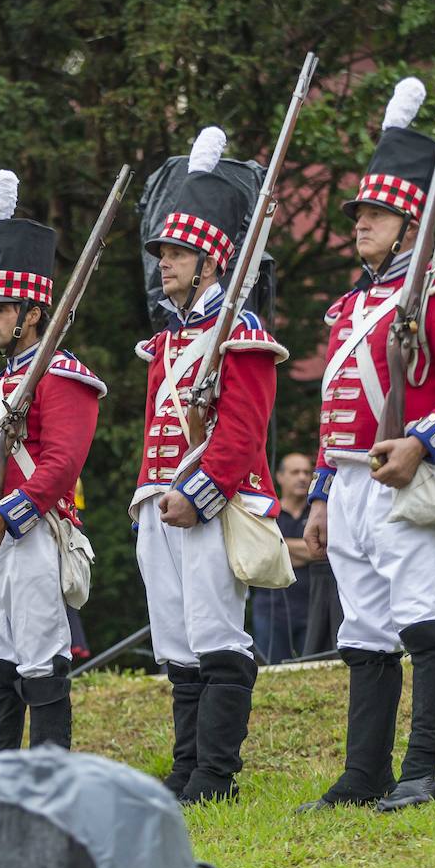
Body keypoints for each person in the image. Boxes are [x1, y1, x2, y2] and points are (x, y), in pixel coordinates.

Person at [300, 78, 435, 813]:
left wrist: (420, 441)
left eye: (377, 213)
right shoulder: (350, 306)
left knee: (426, 619)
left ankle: (425, 772)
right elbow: (335, 411)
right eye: (359, 213)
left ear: (411, 223)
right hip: (350, 484)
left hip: (407, 477)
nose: (361, 225)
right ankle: (363, 775)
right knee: (366, 633)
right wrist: (321, 496)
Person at [131, 127, 287, 803]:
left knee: (217, 637)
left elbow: (245, 431)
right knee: (176, 642)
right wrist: (153, 496)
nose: (164, 263)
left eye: (176, 253)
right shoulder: (168, 340)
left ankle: (216, 775)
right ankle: (186, 766)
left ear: (210, 263)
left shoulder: (242, 332)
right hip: (161, 503)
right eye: (162, 251)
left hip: (214, 503)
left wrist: (197, 492)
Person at [0, 169, 105, 754]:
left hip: (30, 532)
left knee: (40, 660)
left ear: (33, 313)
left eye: (1, 308)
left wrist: (6, 518)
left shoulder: (63, 375)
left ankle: (50, 770)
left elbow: (61, 463)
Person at [252, 453, 315, 665]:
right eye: (295, 472)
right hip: (271, 610)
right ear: (279, 477)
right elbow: (259, 554)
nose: (303, 478)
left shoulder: (319, 514)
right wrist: (306, 551)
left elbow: (322, 551)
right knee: (270, 674)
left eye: (307, 472)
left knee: (315, 674)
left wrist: (280, 548)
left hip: (313, 609)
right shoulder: (266, 514)